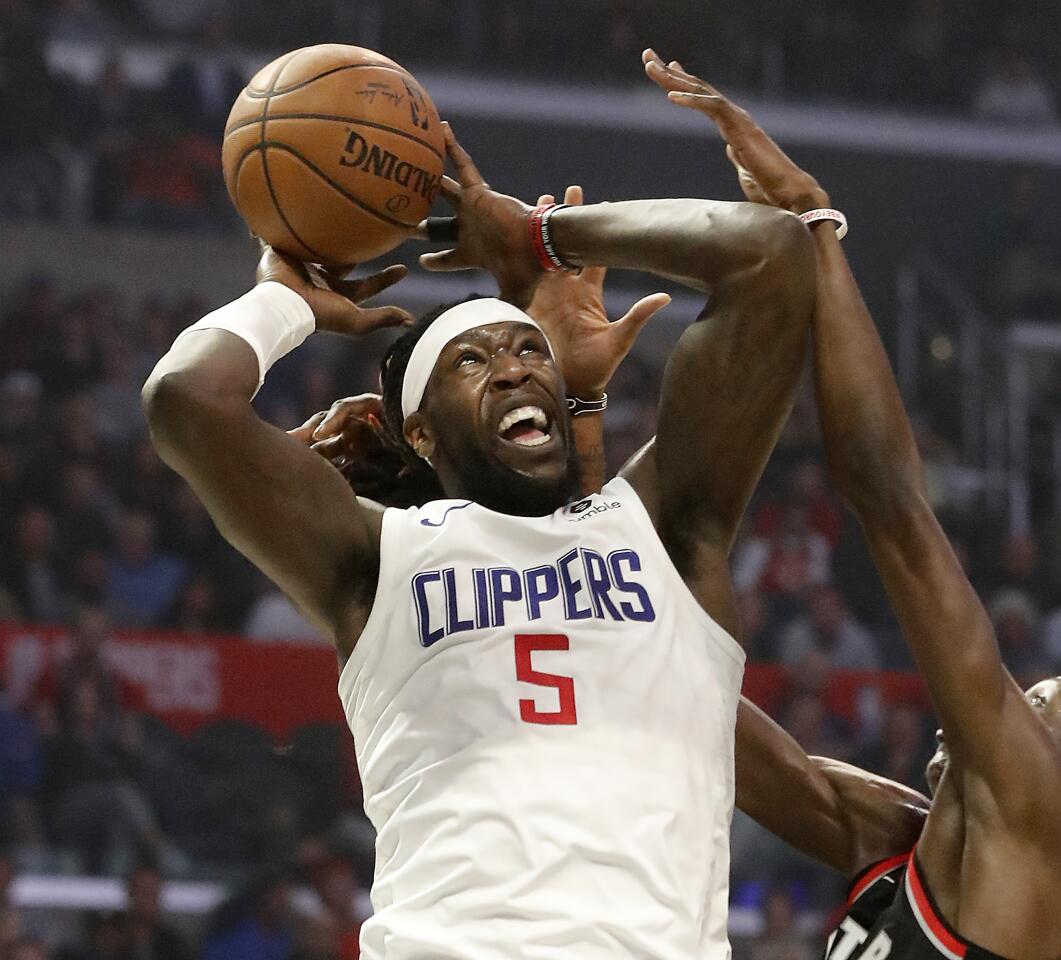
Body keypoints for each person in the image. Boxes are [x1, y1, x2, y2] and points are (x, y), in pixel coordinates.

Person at [142, 91, 817, 960]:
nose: (511, 368)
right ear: (418, 433)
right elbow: (185, 402)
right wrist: (286, 301)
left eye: (528, 349)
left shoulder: (662, 530)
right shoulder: (375, 556)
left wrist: (542, 240)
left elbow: (770, 257)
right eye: (472, 360)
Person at [641, 56, 1061, 959]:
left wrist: (816, 224)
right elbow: (708, 716)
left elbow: (892, 503)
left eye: (1037, 698)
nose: (1009, 696)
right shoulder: (904, 844)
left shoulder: (1031, 814)